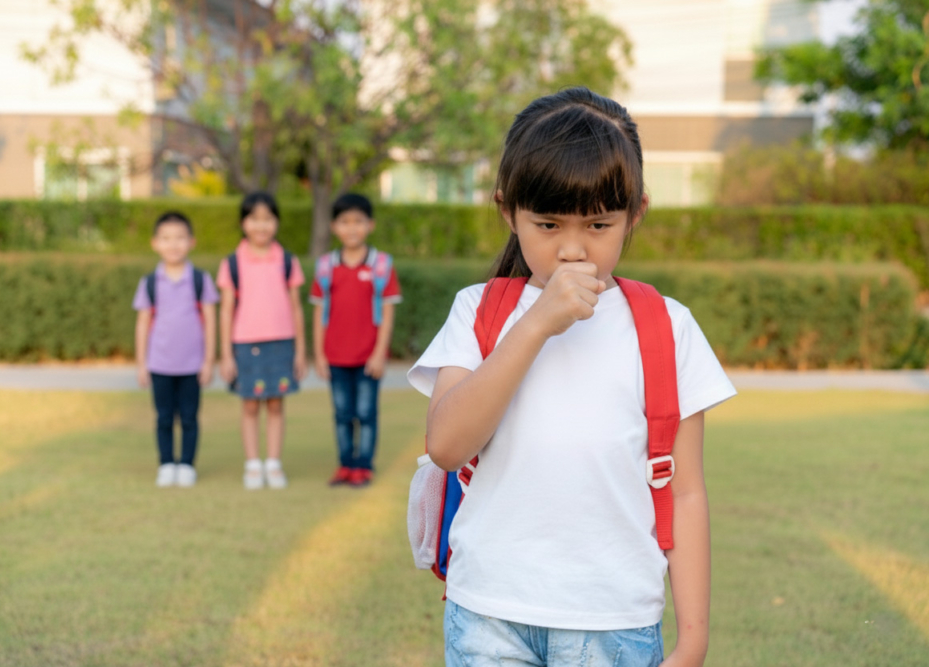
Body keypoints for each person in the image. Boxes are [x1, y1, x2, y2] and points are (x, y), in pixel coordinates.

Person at [407, 87, 737, 666]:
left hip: (615, 624)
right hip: (488, 615)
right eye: (548, 224)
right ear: (508, 210)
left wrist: (694, 638)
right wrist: (535, 324)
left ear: (636, 213)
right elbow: (446, 444)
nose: (572, 249)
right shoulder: (477, 310)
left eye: (599, 225)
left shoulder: (667, 327)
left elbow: (684, 491)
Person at [310, 193, 402, 487]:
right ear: (335, 226)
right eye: (345, 222)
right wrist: (319, 355)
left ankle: (364, 466)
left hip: (367, 358)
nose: (352, 228)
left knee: (366, 413)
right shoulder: (326, 267)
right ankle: (345, 465)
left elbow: (387, 314)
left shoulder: (381, 266)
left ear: (370, 225)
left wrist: (379, 353)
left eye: (358, 222)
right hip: (335, 357)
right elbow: (319, 313)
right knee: (341, 414)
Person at [218, 191, 306, 490]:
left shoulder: (287, 261)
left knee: (276, 406)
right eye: (254, 219)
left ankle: (273, 463)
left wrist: (301, 351)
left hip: (282, 343)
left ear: (276, 222)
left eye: (267, 218)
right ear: (244, 223)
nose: (261, 226)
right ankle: (253, 464)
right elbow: (226, 311)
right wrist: (226, 355)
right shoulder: (232, 263)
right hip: (245, 344)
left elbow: (296, 308)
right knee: (250, 407)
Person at [133, 211, 218, 488]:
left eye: (180, 238)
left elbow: (211, 321)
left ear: (191, 242)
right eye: (166, 238)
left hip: (192, 365)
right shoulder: (149, 283)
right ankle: (167, 463)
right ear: (154, 243)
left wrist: (208, 361)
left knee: (190, 418)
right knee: (164, 418)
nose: (173, 244)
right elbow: (143, 323)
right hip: (159, 364)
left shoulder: (200, 280)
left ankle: (187, 465)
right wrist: (141, 363)